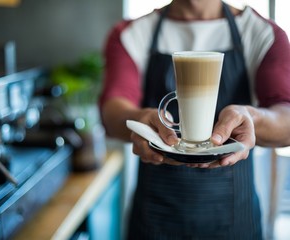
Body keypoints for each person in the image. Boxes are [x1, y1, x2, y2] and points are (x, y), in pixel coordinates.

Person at [99, 0, 290, 239]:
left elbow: (286, 117)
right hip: (154, 220)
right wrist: (139, 118)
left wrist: (252, 117)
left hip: (234, 220)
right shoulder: (132, 34)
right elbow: (113, 110)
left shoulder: (261, 33)